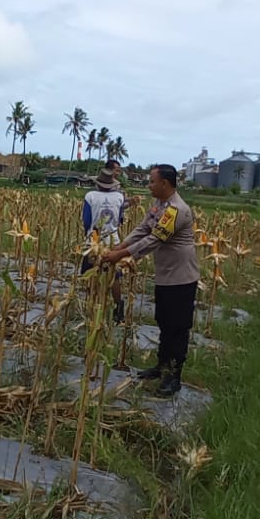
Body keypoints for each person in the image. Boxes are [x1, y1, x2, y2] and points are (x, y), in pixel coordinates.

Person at [101, 164, 199, 398]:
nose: (149, 185)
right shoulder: (159, 205)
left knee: (177, 327)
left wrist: (120, 255)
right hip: (166, 276)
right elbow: (143, 228)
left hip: (181, 278)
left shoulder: (176, 210)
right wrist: (121, 245)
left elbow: (154, 239)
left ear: (164, 183)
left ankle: (173, 377)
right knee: (164, 322)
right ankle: (161, 366)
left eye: (152, 181)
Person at [79, 168, 127, 323]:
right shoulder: (119, 197)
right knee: (114, 276)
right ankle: (118, 310)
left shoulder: (90, 196)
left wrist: (89, 234)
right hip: (113, 242)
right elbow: (120, 219)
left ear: (98, 183)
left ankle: (92, 307)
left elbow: (87, 221)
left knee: (90, 274)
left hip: (93, 242)